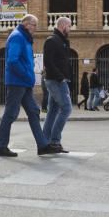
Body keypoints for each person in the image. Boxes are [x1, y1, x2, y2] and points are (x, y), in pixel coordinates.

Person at [0, 14, 60, 157]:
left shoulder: (24, 38)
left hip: (23, 83)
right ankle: (0, 146)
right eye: (34, 25)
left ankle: (42, 145)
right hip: (17, 82)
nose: (35, 28)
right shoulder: (18, 36)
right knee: (10, 114)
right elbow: (12, 60)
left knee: (34, 111)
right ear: (26, 24)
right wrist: (26, 75)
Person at [42, 16, 73, 152]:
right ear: (63, 25)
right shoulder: (52, 40)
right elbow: (48, 62)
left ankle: (45, 141)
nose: (70, 29)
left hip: (58, 79)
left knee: (53, 111)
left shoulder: (62, 41)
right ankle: (55, 141)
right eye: (69, 26)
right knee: (66, 108)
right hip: (55, 81)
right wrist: (61, 78)